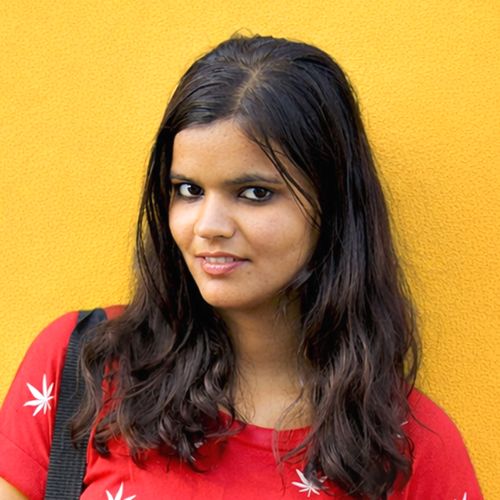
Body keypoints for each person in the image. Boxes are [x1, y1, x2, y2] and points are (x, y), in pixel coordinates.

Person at [0, 35, 482, 499]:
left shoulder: (409, 449)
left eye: (254, 193)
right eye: (188, 190)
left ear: (332, 205)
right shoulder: (85, 369)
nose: (208, 226)